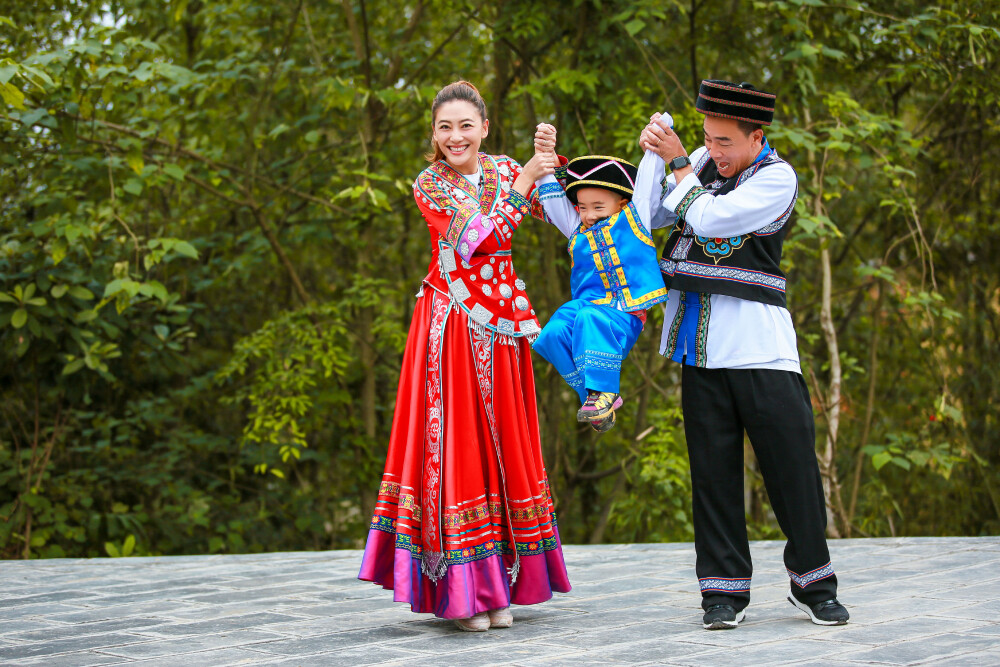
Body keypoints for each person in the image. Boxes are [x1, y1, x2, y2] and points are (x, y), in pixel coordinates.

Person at [357, 81, 570, 632]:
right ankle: (463, 587)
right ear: (434, 133)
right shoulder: (429, 184)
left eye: (465, 125)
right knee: (458, 444)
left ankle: (498, 585)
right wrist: (527, 177)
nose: (456, 136)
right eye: (444, 127)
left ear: (485, 126)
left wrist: (550, 164)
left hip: (502, 328)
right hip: (449, 327)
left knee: (504, 441)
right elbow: (479, 236)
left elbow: (554, 212)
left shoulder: (502, 169)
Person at [639, 79, 850, 629]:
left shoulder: (778, 178)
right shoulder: (700, 164)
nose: (716, 150)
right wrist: (651, 156)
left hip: (760, 347)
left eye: (726, 141)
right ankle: (723, 594)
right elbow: (648, 219)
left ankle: (814, 584)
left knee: (793, 470)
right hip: (699, 348)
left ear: (757, 136)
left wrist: (680, 159)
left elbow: (708, 220)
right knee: (711, 474)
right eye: (708, 138)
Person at [529, 123, 669, 432]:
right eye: (582, 207)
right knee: (550, 335)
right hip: (586, 306)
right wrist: (543, 153)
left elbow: (647, 181)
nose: (588, 214)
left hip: (623, 312)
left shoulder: (636, 217)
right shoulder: (576, 227)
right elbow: (550, 195)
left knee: (590, 319)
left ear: (620, 203)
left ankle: (605, 392)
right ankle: (593, 400)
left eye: (598, 207)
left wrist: (660, 132)